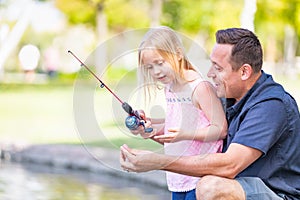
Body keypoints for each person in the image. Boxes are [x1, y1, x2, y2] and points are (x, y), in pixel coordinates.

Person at [120, 27, 300, 200]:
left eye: (218, 68)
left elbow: (230, 164)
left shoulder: (270, 106)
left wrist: (158, 162)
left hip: (275, 194)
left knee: (210, 187)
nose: (209, 73)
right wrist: (150, 126)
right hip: (240, 185)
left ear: (244, 71)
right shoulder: (231, 95)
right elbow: (188, 124)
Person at [125, 26, 227, 200]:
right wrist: (147, 123)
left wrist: (185, 134)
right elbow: (178, 122)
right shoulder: (171, 87)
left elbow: (220, 129)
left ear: (178, 54)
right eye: (149, 67)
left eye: (160, 63)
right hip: (179, 176)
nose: (156, 72)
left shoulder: (200, 88)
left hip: (201, 177)